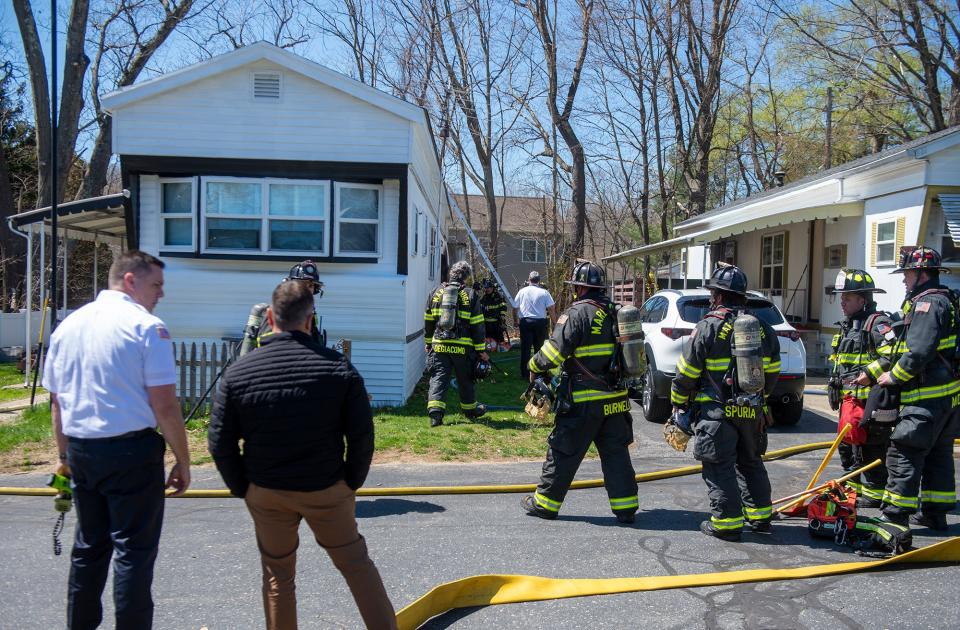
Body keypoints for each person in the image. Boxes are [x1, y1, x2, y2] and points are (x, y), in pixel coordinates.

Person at [208, 280, 397, 630]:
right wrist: (351, 481)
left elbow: (219, 441)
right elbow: (361, 435)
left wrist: (243, 488)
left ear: (269, 317)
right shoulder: (337, 368)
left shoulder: (239, 373)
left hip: (266, 489)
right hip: (325, 487)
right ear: (310, 320)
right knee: (356, 565)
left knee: (278, 576)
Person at [42, 250, 191, 629]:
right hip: (130, 451)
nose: (161, 294)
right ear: (130, 280)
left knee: (88, 549)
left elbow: (57, 403)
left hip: (81, 449)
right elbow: (165, 404)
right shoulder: (146, 327)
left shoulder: (67, 326)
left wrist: (63, 455)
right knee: (133, 553)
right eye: (156, 284)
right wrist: (183, 459)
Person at [521, 261, 638, 524]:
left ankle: (545, 504)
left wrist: (533, 365)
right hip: (616, 402)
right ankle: (626, 508)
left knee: (563, 451)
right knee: (616, 455)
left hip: (584, 401)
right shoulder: (616, 313)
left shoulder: (577, 314)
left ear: (580, 288)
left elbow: (554, 351)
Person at [670, 264, 781, 542]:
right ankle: (760, 519)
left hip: (716, 413)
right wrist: (761, 401)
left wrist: (678, 402)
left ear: (718, 296)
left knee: (719, 467)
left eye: (713, 293)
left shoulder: (709, 326)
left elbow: (687, 371)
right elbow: (773, 369)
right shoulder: (763, 329)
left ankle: (728, 524)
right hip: (752, 412)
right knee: (751, 463)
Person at [865, 246, 959, 531]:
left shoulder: (927, 305)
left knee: (904, 451)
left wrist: (892, 377)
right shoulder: (947, 299)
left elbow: (918, 352)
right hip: (947, 398)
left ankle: (895, 516)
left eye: (906, 273)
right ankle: (934, 512)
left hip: (925, 398)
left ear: (920, 273)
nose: (904, 279)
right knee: (938, 454)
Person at [826, 269, 894, 507]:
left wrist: (869, 373)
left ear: (862, 300)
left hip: (871, 402)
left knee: (871, 448)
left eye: (847, 297)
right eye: (841, 297)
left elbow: (893, 356)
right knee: (847, 447)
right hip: (849, 400)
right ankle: (853, 490)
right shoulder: (847, 326)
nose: (842, 301)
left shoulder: (878, 324)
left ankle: (874, 495)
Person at [423, 261, 490, 427]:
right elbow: (477, 325)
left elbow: (428, 321)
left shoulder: (435, 292)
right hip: (463, 348)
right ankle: (470, 410)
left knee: (438, 379)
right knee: (466, 380)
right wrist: (481, 350)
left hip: (439, 346)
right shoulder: (471, 295)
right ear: (465, 277)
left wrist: (428, 342)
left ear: (450, 275)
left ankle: (435, 416)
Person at [240, 260, 325, 356]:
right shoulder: (278, 315)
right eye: (301, 284)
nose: (306, 289)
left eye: (310, 285)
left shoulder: (311, 317)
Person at [513, 270, 556, 380]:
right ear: (539, 281)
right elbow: (551, 308)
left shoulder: (522, 291)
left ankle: (525, 373)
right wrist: (555, 323)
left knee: (525, 349)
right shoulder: (544, 292)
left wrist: (515, 321)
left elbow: (514, 307)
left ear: (529, 279)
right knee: (539, 349)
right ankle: (539, 372)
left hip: (525, 322)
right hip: (540, 323)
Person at [479, 278, 508, 347]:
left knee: (500, 339)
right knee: (488, 340)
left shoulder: (498, 296)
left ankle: (501, 348)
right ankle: (491, 348)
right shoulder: (483, 297)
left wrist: (502, 316)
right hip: (486, 323)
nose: (488, 289)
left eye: (489, 287)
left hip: (497, 323)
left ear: (492, 288)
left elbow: (503, 306)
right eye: (486, 288)